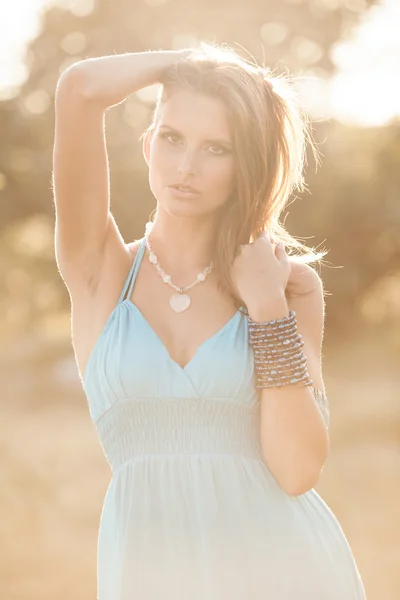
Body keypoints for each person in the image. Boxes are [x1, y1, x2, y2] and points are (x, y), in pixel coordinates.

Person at [52, 43, 367, 599]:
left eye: (216, 148)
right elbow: (80, 88)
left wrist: (267, 310)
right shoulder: (99, 272)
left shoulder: (289, 288)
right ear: (147, 145)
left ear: (245, 165)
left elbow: (296, 470)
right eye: (172, 138)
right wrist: (192, 63)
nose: (186, 166)